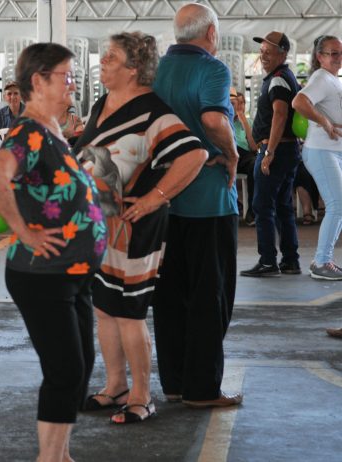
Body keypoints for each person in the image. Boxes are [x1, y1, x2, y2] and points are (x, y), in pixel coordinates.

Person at [0, 42, 106, 460]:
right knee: (65, 371)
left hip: (72, 273)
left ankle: (61, 454)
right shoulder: (28, 132)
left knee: (80, 367)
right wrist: (25, 231)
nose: (73, 84)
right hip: (44, 275)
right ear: (38, 80)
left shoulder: (51, 130)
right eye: (66, 76)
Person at [74, 32, 207, 424]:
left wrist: (154, 198)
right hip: (101, 224)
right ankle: (116, 385)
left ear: (133, 68)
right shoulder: (102, 104)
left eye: (111, 57)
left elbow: (195, 154)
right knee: (104, 308)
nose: (102, 62)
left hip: (135, 227)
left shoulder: (154, 113)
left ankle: (142, 396)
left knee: (129, 312)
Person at [152, 3, 243, 408]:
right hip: (208, 199)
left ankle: (174, 382)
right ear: (210, 34)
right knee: (210, 295)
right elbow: (212, 120)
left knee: (170, 295)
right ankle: (202, 389)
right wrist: (232, 154)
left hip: (164, 198)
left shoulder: (156, 71)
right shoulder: (213, 69)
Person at [241, 31, 302, 277]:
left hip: (276, 150)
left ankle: (268, 261)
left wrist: (269, 152)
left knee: (262, 205)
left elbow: (280, 115)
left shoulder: (278, 80)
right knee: (283, 205)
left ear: (283, 54)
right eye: (262, 51)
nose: (263, 56)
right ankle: (290, 260)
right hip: (287, 150)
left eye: (269, 52)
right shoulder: (284, 76)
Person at [292, 35, 342, 280]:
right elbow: (299, 101)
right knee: (337, 204)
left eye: (340, 53)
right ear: (319, 56)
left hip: (333, 150)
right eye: (333, 53)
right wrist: (324, 122)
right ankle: (322, 262)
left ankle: (323, 260)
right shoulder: (321, 78)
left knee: (339, 205)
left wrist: (331, 122)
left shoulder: (333, 79)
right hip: (321, 151)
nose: (338, 58)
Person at [231, 89, 257, 225]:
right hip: (228, 154)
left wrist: (245, 123)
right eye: (236, 103)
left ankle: (252, 211)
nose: (239, 107)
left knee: (255, 165)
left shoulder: (249, 122)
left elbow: (254, 147)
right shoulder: (224, 120)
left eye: (242, 103)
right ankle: (233, 204)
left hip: (245, 156)